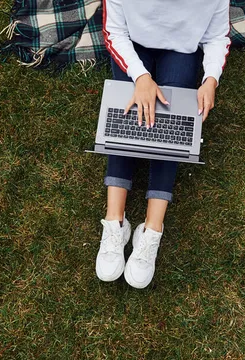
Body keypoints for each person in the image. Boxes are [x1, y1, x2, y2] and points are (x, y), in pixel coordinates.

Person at [96, 0, 231, 289]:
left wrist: (210, 80)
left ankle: (152, 228)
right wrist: (141, 76)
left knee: (174, 120)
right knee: (127, 112)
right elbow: (113, 31)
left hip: (181, 50)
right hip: (133, 41)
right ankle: (115, 221)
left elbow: (217, 36)